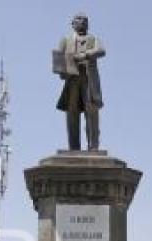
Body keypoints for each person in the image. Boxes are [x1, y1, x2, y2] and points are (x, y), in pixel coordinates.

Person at [53, 12, 105, 150]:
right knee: (72, 112)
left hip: (89, 79)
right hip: (72, 79)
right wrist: (62, 71)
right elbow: (59, 58)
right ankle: (74, 147)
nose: (82, 21)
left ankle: (93, 146)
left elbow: (101, 50)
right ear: (73, 24)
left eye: (85, 20)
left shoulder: (93, 38)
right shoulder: (66, 39)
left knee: (91, 111)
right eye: (79, 19)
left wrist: (85, 54)